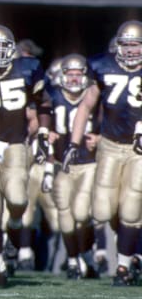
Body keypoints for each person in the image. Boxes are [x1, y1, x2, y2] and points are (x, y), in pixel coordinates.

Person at [65, 20, 142, 286]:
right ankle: (130, 255)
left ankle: (123, 267)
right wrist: (74, 144)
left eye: (136, 45)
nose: (131, 50)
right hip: (109, 144)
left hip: (138, 150)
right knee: (103, 209)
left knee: (132, 207)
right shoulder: (103, 66)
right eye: (127, 45)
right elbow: (86, 107)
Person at [0, 24, 48, 285]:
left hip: (16, 144)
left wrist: (43, 133)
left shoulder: (27, 69)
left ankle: (14, 229)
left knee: (17, 201)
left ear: (12, 49)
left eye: (2, 48)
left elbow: (43, 103)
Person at [47, 53, 100, 279]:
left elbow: (112, 119)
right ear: (62, 75)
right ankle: (72, 261)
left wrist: (100, 136)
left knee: (82, 213)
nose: (75, 79)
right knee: (65, 215)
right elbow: (37, 115)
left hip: (88, 164)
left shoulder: (94, 97)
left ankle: (87, 255)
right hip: (62, 164)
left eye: (79, 74)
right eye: (71, 74)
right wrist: (44, 131)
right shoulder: (53, 96)